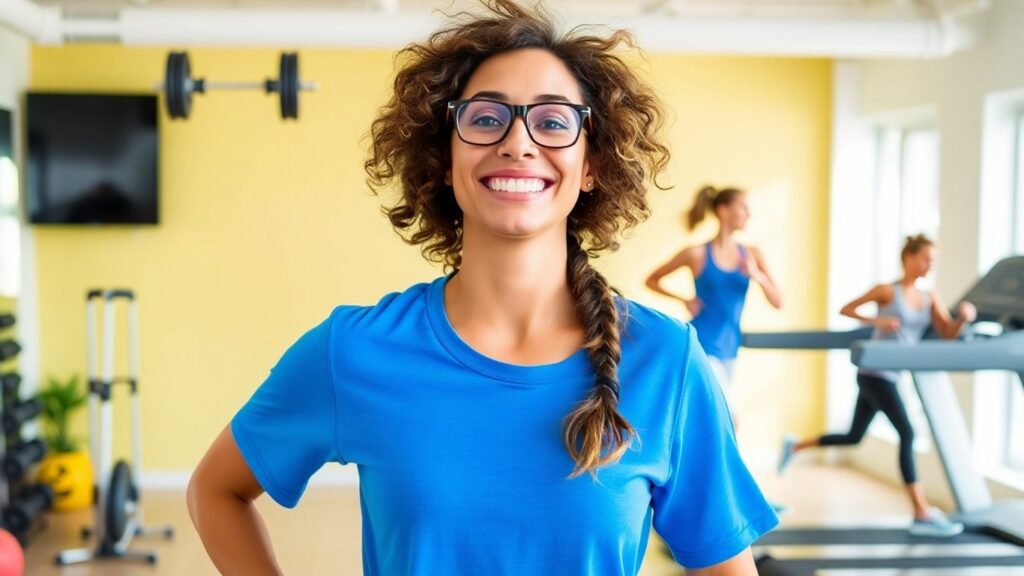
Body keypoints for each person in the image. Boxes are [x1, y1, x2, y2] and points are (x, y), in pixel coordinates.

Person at [187, 2, 778, 574]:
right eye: (486, 118)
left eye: (552, 121)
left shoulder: (667, 363)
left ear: (591, 164)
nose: (518, 143)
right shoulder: (354, 350)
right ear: (445, 156)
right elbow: (216, 491)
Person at [777, 234, 976, 537]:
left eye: (933, 260)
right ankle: (921, 511)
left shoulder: (929, 296)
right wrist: (877, 322)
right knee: (908, 432)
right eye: (925, 258)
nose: (929, 265)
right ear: (909, 257)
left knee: (853, 436)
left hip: (893, 375)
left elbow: (947, 333)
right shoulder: (887, 291)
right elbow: (846, 309)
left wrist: (962, 317)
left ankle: (796, 445)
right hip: (873, 373)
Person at [645, 186, 783, 417]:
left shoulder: (752, 255)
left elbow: (778, 302)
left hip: (731, 347)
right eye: (744, 208)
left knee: (712, 417)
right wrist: (683, 299)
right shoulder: (697, 253)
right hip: (703, 344)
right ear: (723, 211)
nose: (749, 214)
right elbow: (652, 280)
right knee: (730, 417)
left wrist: (756, 275)